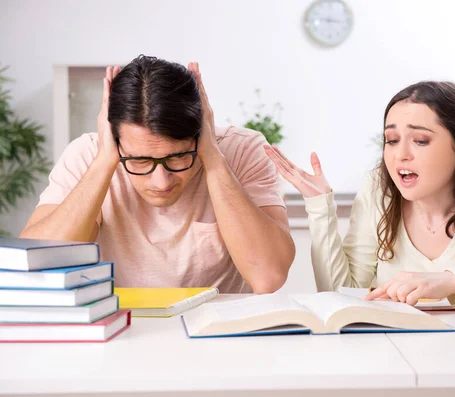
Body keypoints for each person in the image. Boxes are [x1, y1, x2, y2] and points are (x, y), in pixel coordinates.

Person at [264, 81, 455, 307]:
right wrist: (320, 206)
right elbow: (340, 293)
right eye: (391, 140)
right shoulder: (379, 190)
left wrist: (448, 281)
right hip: (396, 358)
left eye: (420, 141)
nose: (400, 155)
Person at [20, 55, 295, 293]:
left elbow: (267, 278)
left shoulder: (242, 150)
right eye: (139, 161)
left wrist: (212, 157)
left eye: (177, 157)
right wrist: (105, 161)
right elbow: (36, 265)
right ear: (113, 137)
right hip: (121, 330)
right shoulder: (88, 155)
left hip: (220, 336)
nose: (160, 181)